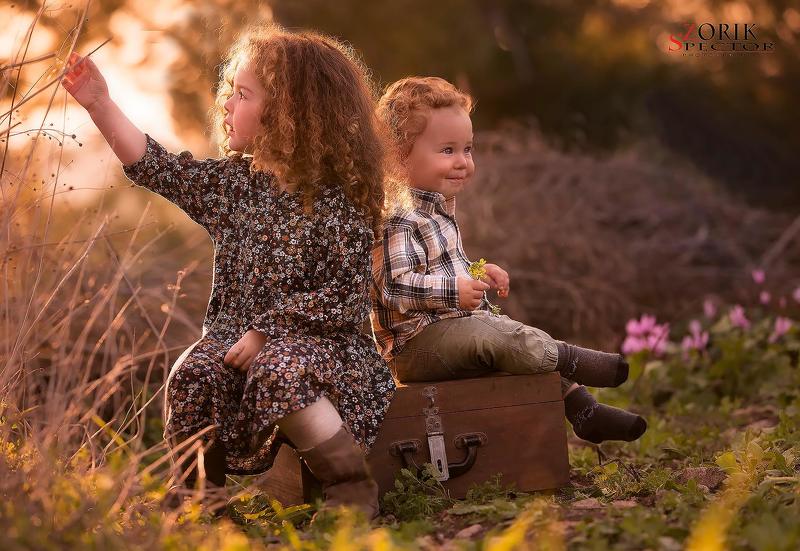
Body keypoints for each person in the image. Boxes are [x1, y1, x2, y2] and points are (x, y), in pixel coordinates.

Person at [61, 24, 395, 518]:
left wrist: (268, 331)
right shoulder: (236, 187)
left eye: (243, 94)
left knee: (280, 369)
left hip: (328, 353)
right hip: (244, 348)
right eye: (230, 91)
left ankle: (350, 488)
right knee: (193, 371)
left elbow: (342, 299)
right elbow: (158, 167)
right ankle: (201, 501)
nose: (226, 104)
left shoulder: (339, 201)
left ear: (290, 115)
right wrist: (100, 105)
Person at [371, 76, 646, 445]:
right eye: (447, 150)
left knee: (506, 342)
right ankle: (573, 358)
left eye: (467, 149)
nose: (462, 162)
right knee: (501, 337)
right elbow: (395, 286)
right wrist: (455, 291)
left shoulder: (437, 212)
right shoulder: (399, 218)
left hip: (450, 333)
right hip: (417, 347)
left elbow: (441, 268)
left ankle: (583, 410)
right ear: (399, 156)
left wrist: (479, 272)